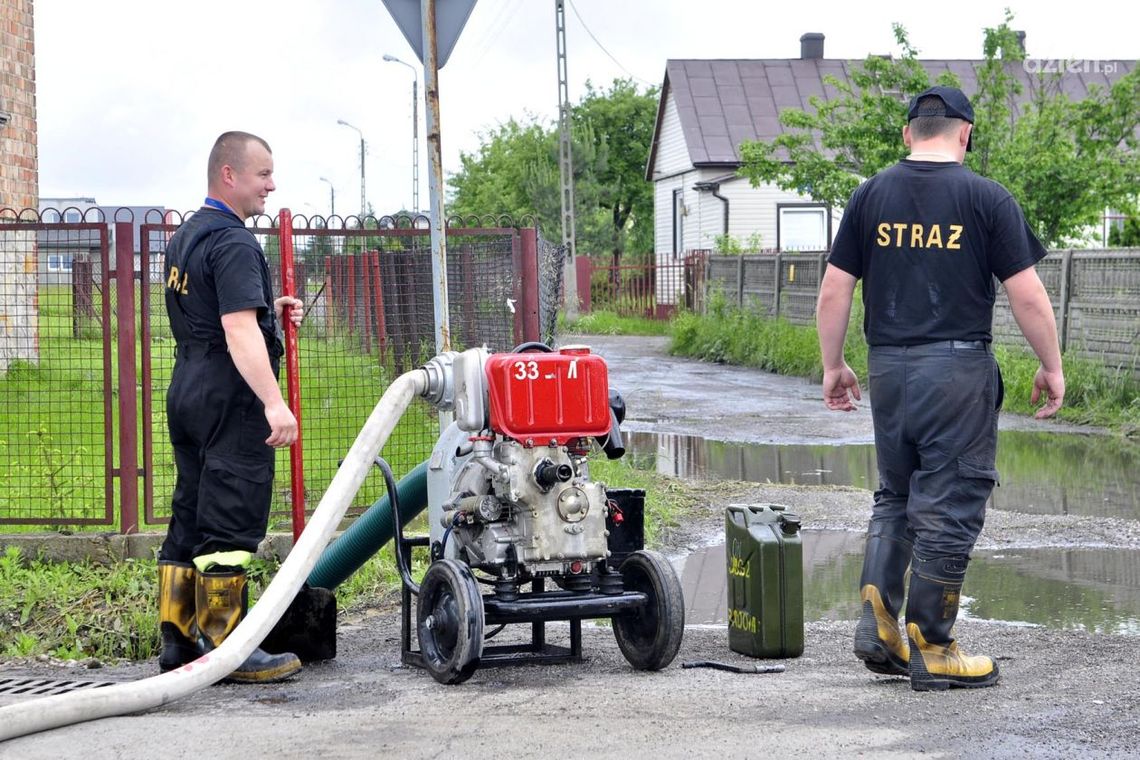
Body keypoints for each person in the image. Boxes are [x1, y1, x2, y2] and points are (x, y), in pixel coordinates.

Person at [816, 86, 1065, 692]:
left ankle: (880, 628)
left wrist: (833, 365)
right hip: (955, 371)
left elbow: (833, 289)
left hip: (888, 370)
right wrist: (1051, 365)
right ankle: (935, 645)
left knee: (896, 495)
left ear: (908, 134)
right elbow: (1027, 294)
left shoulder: (870, 194)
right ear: (966, 133)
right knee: (951, 502)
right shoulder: (986, 197)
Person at [156, 131, 304, 683]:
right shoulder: (237, 243)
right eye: (263, 174)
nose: (271, 184)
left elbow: (215, 310)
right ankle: (227, 645)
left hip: (188, 387)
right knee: (232, 518)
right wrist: (274, 403)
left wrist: (267, 311)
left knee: (190, 513)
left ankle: (177, 640)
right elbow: (237, 331)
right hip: (231, 396)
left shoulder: (188, 236)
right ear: (229, 175)